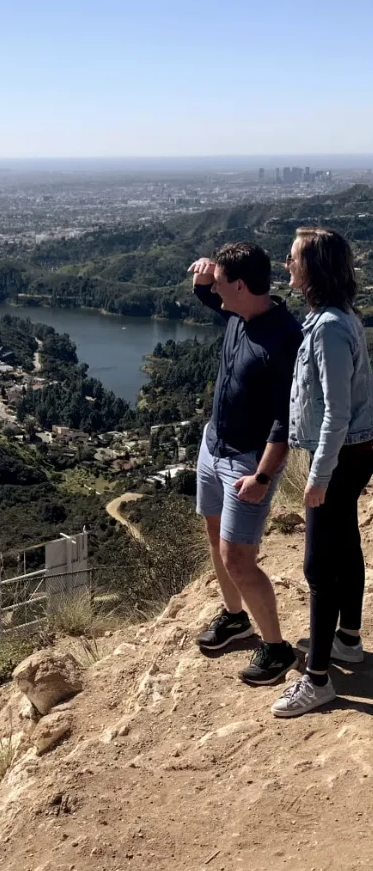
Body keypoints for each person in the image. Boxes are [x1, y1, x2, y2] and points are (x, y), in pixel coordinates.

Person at [188, 242, 303, 684]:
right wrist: (203, 281)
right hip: (212, 446)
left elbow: (285, 420)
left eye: (219, 285)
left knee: (238, 558)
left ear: (239, 285)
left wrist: (262, 475)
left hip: (247, 464)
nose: (214, 294)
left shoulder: (284, 339)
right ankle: (235, 617)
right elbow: (211, 298)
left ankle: (275, 647)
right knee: (215, 537)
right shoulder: (240, 312)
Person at [272, 228, 373, 717]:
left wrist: (318, 477)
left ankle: (317, 679)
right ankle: (348, 639)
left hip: (340, 454)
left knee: (318, 565)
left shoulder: (330, 327)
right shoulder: (337, 318)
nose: (287, 264)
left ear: (313, 267)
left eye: (293, 258)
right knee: (346, 542)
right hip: (355, 450)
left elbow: (334, 412)